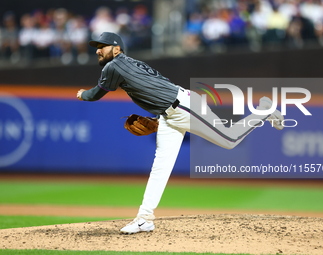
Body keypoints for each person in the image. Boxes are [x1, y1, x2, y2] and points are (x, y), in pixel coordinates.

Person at [76, 32, 284, 234]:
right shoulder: (131, 64)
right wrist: (160, 114)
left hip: (183, 107)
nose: (98, 51)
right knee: (160, 166)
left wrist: (82, 94)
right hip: (170, 113)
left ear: (117, 49)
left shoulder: (114, 66)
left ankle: (264, 110)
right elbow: (159, 84)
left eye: (102, 46)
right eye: (97, 47)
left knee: (229, 140)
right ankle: (144, 219)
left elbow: (96, 94)